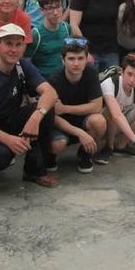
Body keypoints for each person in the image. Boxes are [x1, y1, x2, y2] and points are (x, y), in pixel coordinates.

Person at [0, 24, 59, 187]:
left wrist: (35, 118)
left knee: (47, 109)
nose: (13, 50)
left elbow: (50, 93)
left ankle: (34, 170)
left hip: (9, 120)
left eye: (18, 45)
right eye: (9, 44)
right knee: (3, 155)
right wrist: (8, 140)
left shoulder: (21, 66)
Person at [47, 39, 106, 173]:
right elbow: (53, 115)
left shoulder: (91, 73)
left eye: (80, 58)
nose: (76, 63)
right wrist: (79, 132)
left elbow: (97, 106)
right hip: (59, 125)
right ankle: (49, 155)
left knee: (99, 121)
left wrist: (65, 108)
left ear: (87, 59)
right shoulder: (55, 78)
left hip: (80, 120)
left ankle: (85, 154)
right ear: (63, 60)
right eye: (71, 58)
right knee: (58, 144)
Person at [70, 0, 125, 71]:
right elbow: (74, 25)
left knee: (112, 85)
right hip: (89, 51)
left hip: (111, 51)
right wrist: (85, 51)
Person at [26, 0, 70, 78]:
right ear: (42, 10)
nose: (55, 12)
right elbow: (26, 61)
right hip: (43, 80)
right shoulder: (36, 34)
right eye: (50, 8)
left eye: (58, 6)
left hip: (63, 78)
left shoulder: (66, 28)